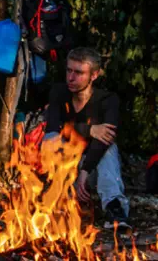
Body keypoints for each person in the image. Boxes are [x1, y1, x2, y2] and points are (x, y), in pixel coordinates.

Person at [45, 47, 130, 229]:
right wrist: (89, 130)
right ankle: (59, 202)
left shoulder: (108, 100)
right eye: (69, 70)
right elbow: (53, 127)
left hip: (92, 171)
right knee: (51, 139)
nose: (71, 78)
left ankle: (114, 209)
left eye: (79, 73)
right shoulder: (59, 93)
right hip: (64, 170)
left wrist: (85, 171)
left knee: (108, 145)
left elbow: (104, 139)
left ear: (94, 75)